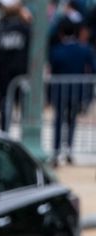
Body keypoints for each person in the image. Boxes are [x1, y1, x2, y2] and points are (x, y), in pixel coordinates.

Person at [48, 18, 96, 165]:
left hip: (59, 90)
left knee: (58, 121)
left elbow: (53, 70)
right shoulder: (84, 49)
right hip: (77, 91)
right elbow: (93, 68)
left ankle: (56, 150)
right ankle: (69, 148)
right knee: (72, 121)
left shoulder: (56, 51)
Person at [0, 0, 31, 132]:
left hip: (4, 79)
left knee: (5, 114)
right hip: (23, 77)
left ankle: (4, 140)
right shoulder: (27, 31)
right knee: (25, 112)